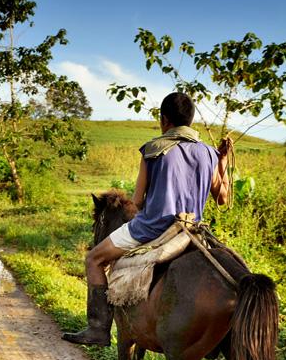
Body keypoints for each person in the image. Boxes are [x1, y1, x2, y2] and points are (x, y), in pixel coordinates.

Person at [62, 92, 232, 346]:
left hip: (151, 228)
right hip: (192, 231)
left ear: (164, 120)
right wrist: (223, 163)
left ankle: (98, 329)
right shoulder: (209, 153)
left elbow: (138, 201)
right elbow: (223, 198)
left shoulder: (153, 149)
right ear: (190, 120)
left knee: (94, 259)